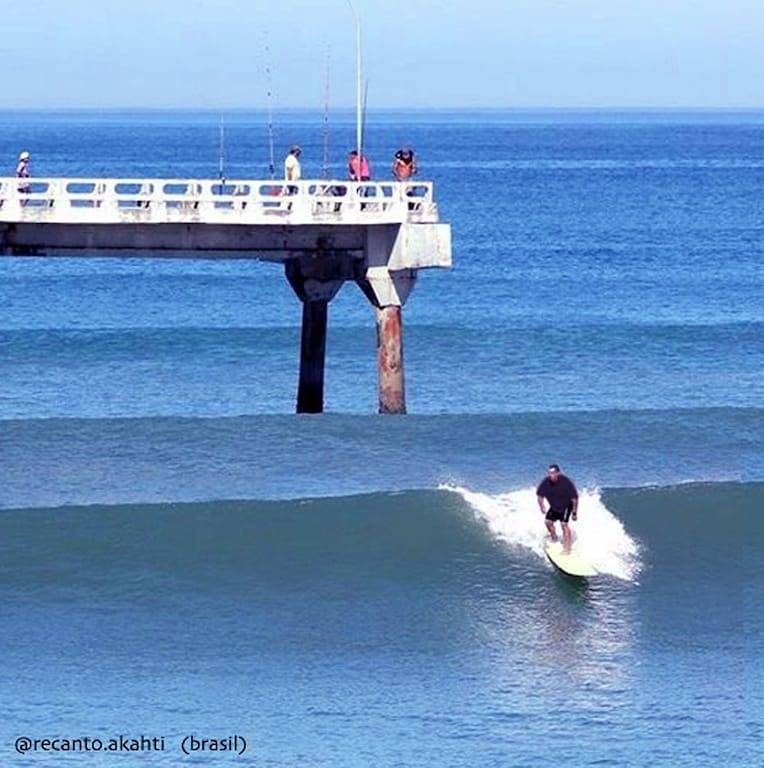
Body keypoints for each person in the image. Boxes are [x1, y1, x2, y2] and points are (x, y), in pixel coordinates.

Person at [536, 464, 579, 552]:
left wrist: (574, 513)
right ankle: (554, 537)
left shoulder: (566, 482)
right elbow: (540, 496)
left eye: (553, 473)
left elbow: (574, 499)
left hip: (566, 506)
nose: (551, 475)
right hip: (555, 506)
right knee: (548, 522)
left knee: (564, 524)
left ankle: (567, 549)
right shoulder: (545, 482)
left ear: (558, 473)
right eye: (549, 473)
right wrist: (542, 506)